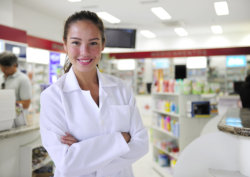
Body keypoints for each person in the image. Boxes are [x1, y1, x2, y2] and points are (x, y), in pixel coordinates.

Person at [39, 10, 148, 177]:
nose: (84, 52)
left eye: (93, 43)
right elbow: (67, 163)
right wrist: (121, 138)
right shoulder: (53, 97)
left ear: (103, 44)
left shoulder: (121, 89)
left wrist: (84, 151)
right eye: (76, 42)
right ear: (65, 44)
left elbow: (141, 144)